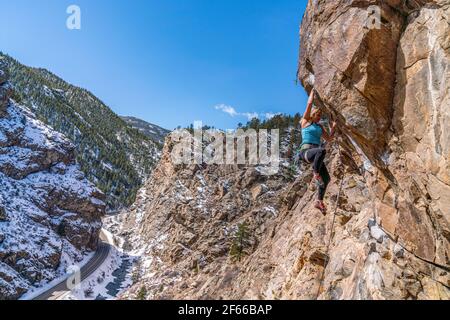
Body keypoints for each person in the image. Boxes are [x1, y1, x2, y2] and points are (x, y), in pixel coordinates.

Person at [299, 89, 337, 214]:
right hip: (305, 152)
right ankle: (316, 173)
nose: (319, 117)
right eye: (317, 115)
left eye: (320, 116)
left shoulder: (320, 127)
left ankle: (319, 201)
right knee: (321, 151)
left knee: (326, 178)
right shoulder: (306, 122)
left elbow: (330, 139)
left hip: (315, 153)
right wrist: (313, 91)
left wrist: (333, 127)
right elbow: (309, 105)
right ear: (313, 114)